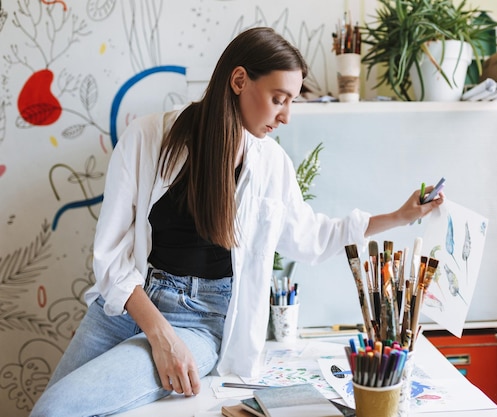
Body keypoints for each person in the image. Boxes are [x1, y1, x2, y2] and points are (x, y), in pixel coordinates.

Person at [30, 26, 444, 416]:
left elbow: (313, 237)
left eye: (292, 102)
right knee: (46, 410)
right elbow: (110, 253)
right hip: (127, 304)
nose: (286, 117)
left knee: (57, 410)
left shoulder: (271, 165)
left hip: (202, 320)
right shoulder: (148, 138)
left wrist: (399, 216)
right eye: (279, 98)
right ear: (240, 79)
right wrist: (159, 335)